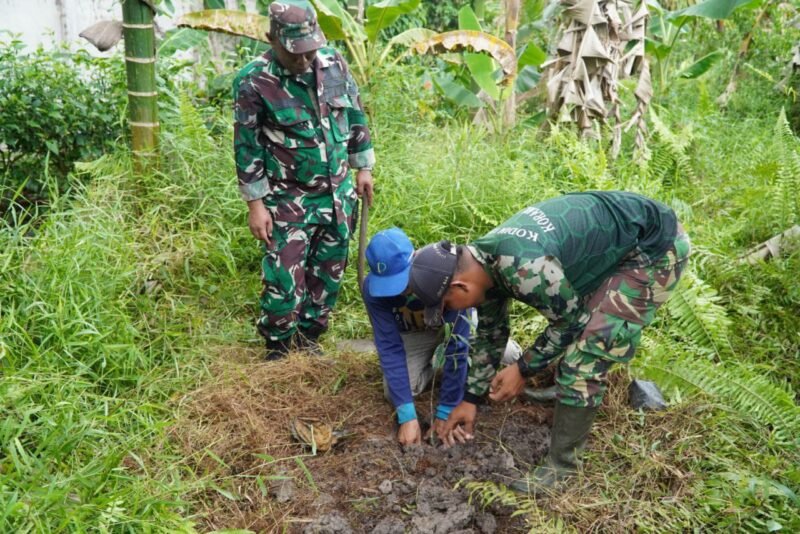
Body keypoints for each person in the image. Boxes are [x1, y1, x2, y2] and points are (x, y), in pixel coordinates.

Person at [408, 191, 691, 494]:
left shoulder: (524, 268)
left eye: (447, 304)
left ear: (459, 285)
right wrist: (470, 400)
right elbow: (491, 334)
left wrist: (523, 368)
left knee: (586, 354)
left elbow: (571, 321)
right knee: (577, 322)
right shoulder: (482, 263)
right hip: (615, 246)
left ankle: (563, 468)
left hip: (654, 248)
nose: (451, 311)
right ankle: (567, 392)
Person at [233, 0, 375, 360]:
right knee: (283, 284)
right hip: (286, 200)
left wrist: (363, 167)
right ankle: (279, 349)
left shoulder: (333, 63)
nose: (304, 59)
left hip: (337, 195)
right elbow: (247, 146)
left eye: (310, 50)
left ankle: (309, 340)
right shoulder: (254, 81)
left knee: (328, 276)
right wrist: (255, 205)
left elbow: (355, 114)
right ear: (272, 39)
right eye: (295, 52)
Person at [363, 228, 520, 445]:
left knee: (510, 356)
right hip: (415, 334)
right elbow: (389, 346)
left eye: (400, 282)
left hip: (453, 326)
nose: (397, 291)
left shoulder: (438, 273)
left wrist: (446, 408)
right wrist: (407, 417)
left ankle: (462, 364)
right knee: (395, 393)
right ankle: (439, 363)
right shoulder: (373, 290)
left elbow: (457, 342)